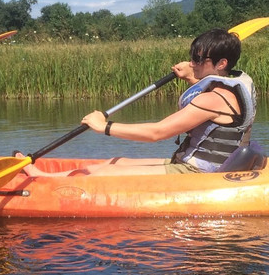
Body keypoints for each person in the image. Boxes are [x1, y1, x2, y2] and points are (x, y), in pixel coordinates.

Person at [22, 28, 256, 177]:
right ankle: (44, 176)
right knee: (117, 161)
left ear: (222, 63)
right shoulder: (230, 87)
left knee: (99, 174)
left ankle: (41, 179)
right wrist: (192, 75)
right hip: (193, 165)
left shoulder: (213, 98)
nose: (191, 62)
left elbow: (157, 132)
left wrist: (104, 126)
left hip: (196, 172)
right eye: (191, 56)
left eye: (197, 58)